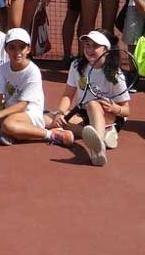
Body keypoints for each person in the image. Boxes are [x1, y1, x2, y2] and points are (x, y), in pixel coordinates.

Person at [0, 28, 74, 147]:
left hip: (30, 112)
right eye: (12, 47)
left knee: (8, 124)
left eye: (21, 47)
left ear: (28, 49)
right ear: (6, 49)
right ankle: (10, 132)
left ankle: (52, 135)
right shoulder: (3, 69)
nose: (17, 51)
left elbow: (23, 105)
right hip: (8, 110)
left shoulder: (33, 71)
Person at [48, 31, 130, 165]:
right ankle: (101, 134)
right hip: (83, 112)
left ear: (106, 50)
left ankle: (99, 150)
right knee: (50, 119)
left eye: (95, 46)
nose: (89, 50)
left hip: (110, 115)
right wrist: (60, 113)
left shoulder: (115, 74)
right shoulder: (76, 66)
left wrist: (115, 108)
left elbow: (126, 110)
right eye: (87, 45)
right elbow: (68, 95)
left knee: (93, 104)